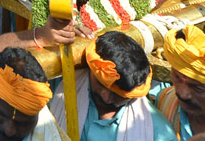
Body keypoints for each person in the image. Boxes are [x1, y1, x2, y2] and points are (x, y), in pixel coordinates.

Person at [47, 29, 175, 141]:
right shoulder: (56, 88)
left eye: (119, 95)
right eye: (101, 84)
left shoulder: (158, 133)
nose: (106, 97)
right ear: (91, 69)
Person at [0, 47, 60, 141]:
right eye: (1, 114)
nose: (9, 131)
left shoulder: (50, 135)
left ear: (37, 114)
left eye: (22, 123)